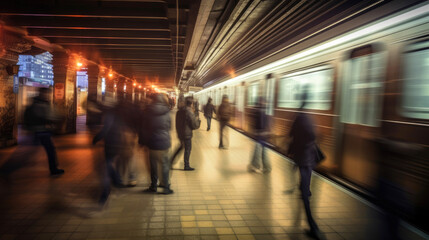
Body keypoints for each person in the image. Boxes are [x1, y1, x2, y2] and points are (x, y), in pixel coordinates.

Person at [287, 90, 325, 240]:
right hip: (309, 159)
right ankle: (304, 189)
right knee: (305, 185)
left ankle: (313, 227)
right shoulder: (310, 117)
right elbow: (314, 136)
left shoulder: (299, 117)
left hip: (303, 159)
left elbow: (292, 135)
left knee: (304, 194)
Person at [93, 100, 128, 205]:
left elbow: (105, 129)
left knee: (107, 167)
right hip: (119, 143)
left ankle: (105, 194)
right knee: (110, 164)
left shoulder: (109, 115)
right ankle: (117, 181)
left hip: (111, 144)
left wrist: (96, 138)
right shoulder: (120, 115)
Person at [24, 87, 64, 176]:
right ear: (41, 93)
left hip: (42, 131)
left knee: (32, 152)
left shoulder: (43, 103)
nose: (46, 95)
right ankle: (53, 169)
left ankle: (54, 169)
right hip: (40, 131)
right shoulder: (38, 104)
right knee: (49, 150)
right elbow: (41, 117)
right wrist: (51, 121)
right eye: (45, 93)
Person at [143, 93, 173, 194]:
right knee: (164, 164)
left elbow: (145, 127)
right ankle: (165, 187)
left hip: (152, 142)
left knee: (153, 165)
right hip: (164, 142)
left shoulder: (148, 111)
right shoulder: (167, 111)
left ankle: (153, 186)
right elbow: (169, 126)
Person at [171, 96, 201, 171]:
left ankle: (170, 162)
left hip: (180, 134)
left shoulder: (179, 111)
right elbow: (194, 125)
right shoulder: (189, 112)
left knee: (181, 147)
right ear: (191, 104)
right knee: (187, 149)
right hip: (187, 134)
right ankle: (186, 165)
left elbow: (177, 123)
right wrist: (198, 121)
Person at [248, 97, 271, 173]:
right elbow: (265, 122)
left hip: (260, 134)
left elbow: (260, 123)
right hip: (263, 134)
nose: (265, 103)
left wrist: (256, 131)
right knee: (263, 151)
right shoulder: (263, 110)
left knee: (258, 151)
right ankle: (266, 167)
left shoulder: (258, 110)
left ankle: (256, 166)